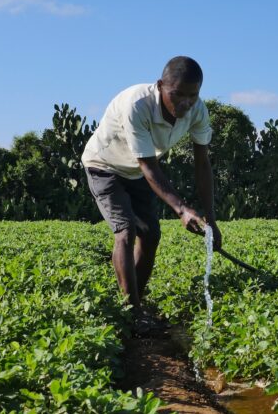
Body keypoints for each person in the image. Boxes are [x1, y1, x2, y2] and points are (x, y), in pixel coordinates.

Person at [81, 56, 222, 335]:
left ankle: (135, 303)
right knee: (125, 231)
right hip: (105, 165)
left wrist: (211, 221)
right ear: (160, 86)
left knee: (151, 235)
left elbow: (202, 163)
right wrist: (181, 209)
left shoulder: (197, 111)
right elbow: (148, 164)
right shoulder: (137, 105)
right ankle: (132, 314)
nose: (184, 102)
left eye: (192, 96)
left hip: (137, 171)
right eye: (177, 95)